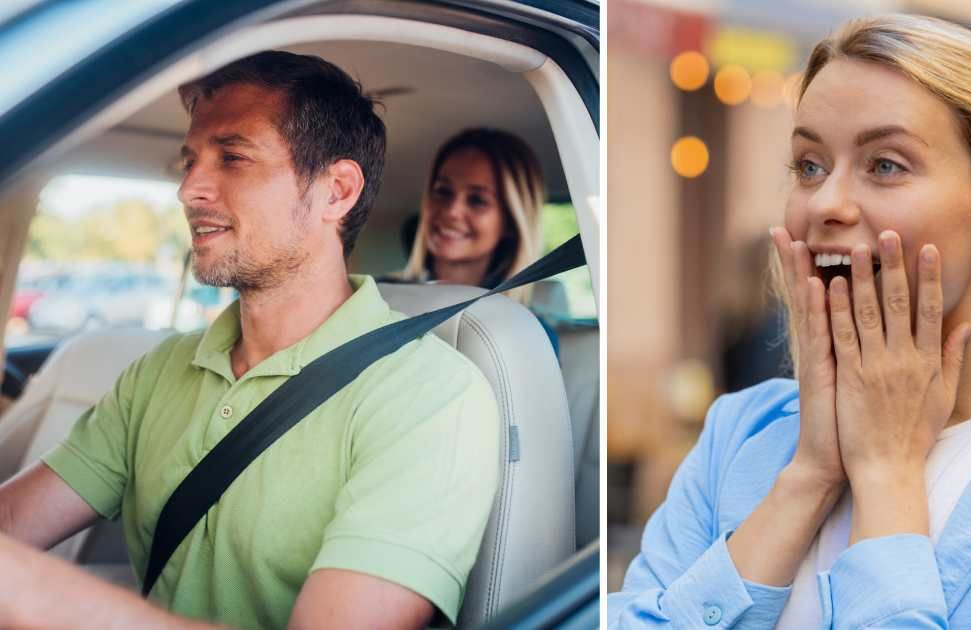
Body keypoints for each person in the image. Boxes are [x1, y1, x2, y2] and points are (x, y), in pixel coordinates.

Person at [609, 14, 971, 629]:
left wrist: (886, 473)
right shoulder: (740, 433)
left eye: (886, 164)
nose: (827, 204)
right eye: (809, 165)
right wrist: (809, 476)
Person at [0, 50, 500, 629]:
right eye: (189, 161)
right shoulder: (160, 370)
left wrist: (35, 594)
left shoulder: (432, 397)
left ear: (336, 191)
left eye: (233, 157)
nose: (189, 189)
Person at [392, 127, 558, 353]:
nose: (452, 211)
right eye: (443, 191)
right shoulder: (380, 296)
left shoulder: (529, 333)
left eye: (477, 200)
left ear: (510, 222)